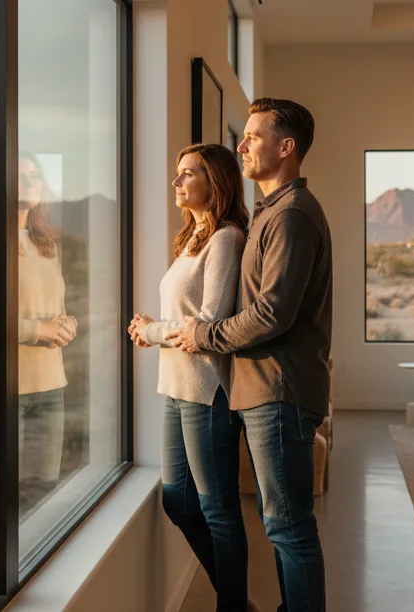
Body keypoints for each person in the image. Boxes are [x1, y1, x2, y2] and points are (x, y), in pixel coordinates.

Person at [166, 98, 332, 612]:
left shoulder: (293, 217)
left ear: (286, 148)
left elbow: (272, 315)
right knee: (281, 523)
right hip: (261, 388)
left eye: (254, 136)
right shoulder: (271, 213)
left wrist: (203, 334)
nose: (242, 144)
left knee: (288, 527)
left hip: (279, 389)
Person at [128, 143, 251, 610]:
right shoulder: (191, 240)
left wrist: (151, 330)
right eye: (177, 174)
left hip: (207, 390)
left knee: (218, 510)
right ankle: (236, 598)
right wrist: (154, 329)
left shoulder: (226, 238)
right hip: (175, 387)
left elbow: (210, 320)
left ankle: (232, 605)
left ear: (214, 181)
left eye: (187, 174)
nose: (177, 183)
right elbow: (182, 316)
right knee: (178, 501)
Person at [0, 151, 77, 492]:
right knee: (4, 498)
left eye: (35, 174)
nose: (32, 180)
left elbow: (52, 306)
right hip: (3, 387)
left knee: (43, 491)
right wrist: (39, 330)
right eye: (21, 174)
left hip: (51, 384)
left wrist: (66, 325)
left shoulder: (45, 244)